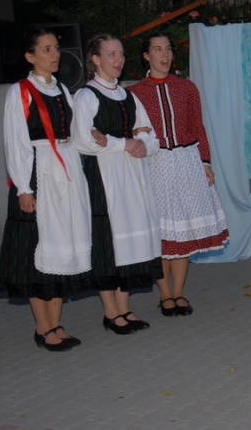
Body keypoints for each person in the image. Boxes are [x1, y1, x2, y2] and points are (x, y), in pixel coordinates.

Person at [0, 27, 91, 352]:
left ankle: (57, 323)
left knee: (62, 245)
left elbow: (75, 133)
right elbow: (16, 142)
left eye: (56, 48)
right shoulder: (20, 91)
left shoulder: (62, 89)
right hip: (39, 173)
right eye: (47, 49)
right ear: (30, 56)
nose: (55, 54)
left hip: (65, 170)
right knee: (36, 248)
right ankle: (43, 327)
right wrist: (24, 187)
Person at [127, 32, 229, 317]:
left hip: (186, 161)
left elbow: (198, 126)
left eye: (168, 49)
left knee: (182, 231)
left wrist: (205, 162)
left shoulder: (186, 87)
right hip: (155, 164)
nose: (165, 55)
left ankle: (179, 292)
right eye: (158, 49)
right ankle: (165, 294)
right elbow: (131, 132)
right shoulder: (135, 93)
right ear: (146, 56)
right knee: (161, 232)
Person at [71, 33, 163, 334]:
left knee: (129, 242)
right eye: (111, 54)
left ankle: (124, 307)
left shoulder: (128, 96)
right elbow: (82, 140)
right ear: (95, 59)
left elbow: (149, 135)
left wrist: (141, 144)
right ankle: (110, 313)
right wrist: (124, 143)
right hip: (103, 177)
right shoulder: (86, 96)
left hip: (131, 176)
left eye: (121, 54)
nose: (119, 59)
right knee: (108, 243)